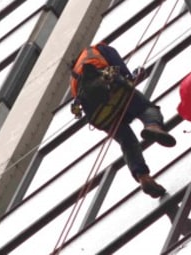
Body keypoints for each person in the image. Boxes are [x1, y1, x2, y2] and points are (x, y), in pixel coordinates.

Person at [69, 42, 177, 198]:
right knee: (146, 109)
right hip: (114, 89)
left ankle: (143, 177)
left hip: (100, 115)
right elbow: (116, 62)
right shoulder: (96, 49)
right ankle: (153, 126)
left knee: (127, 142)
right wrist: (130, 76)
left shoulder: (74, 81)